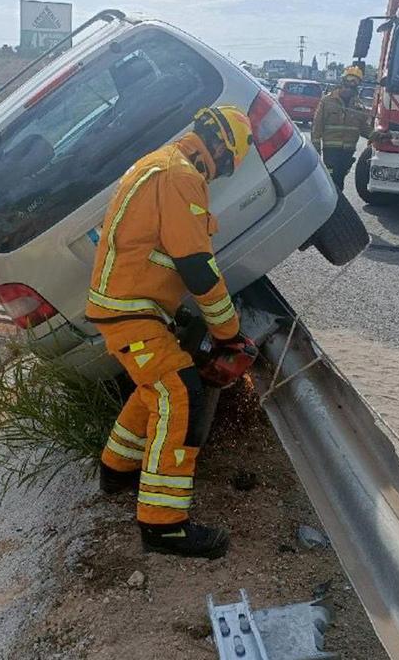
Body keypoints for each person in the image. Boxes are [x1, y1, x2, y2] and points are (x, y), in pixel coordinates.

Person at [87, 105, 256, 559]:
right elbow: (197, 266)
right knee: (178, 393)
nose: (220, 174)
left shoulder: (160, 163)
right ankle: (163, 526)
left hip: (129, 306)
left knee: (154, 387)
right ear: (218, 147)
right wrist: (228, 333)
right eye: (226, 165)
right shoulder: (180, 176)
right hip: (131, 309)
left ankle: (116, 470)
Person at [312, 65, 372, 190]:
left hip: (348, 151)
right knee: (332, 179)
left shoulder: (358, 105)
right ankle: (333, 205)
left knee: (340, 180)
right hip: (331, 150)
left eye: (354, 82)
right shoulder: (327, 101)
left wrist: (377, 136)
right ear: (342, 82)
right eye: (348, 81)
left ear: (357, 85)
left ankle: (336, 204)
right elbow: (317, 126)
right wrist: (316, 148)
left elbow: (364, 128)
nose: (349, 86)